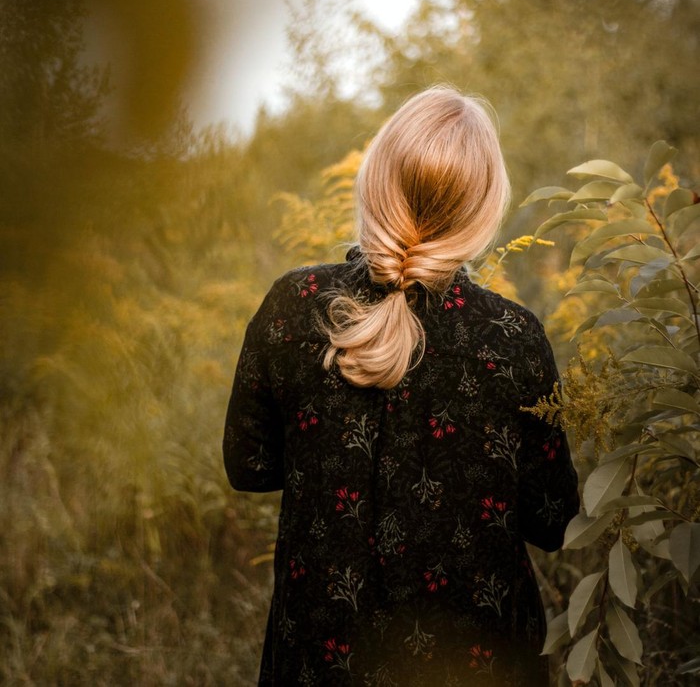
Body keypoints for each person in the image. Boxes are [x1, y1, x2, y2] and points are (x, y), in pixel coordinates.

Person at [223, 86, 580, 686]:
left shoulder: (295, 305)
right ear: (482, 208)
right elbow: (555, 520)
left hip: (323, 658)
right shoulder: (515, 337)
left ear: (374, 185)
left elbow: (249, 465)